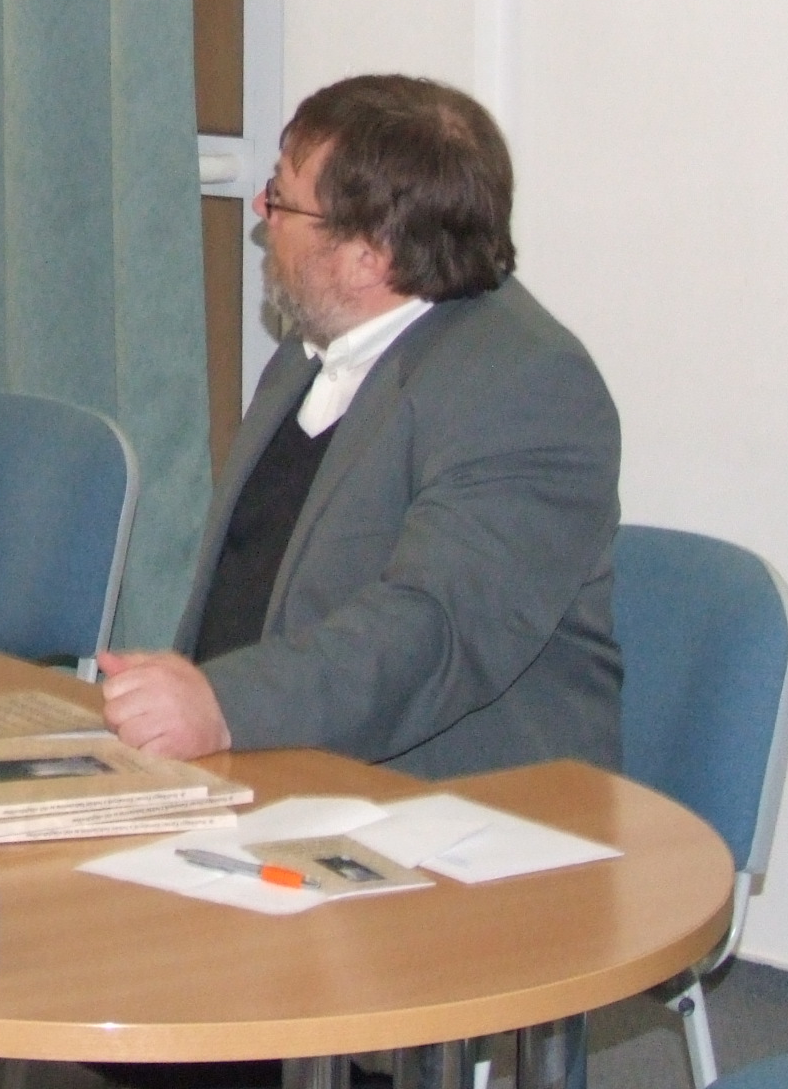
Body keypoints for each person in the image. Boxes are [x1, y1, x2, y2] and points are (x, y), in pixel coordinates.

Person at [100, 74, 621, 777]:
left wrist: (226, 705)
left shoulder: (528, 387)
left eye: (282, 199)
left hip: (454, 803)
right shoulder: (311, 351)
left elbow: (432, 631)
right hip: (268, 767)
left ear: (368, 258)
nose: (260, 211)